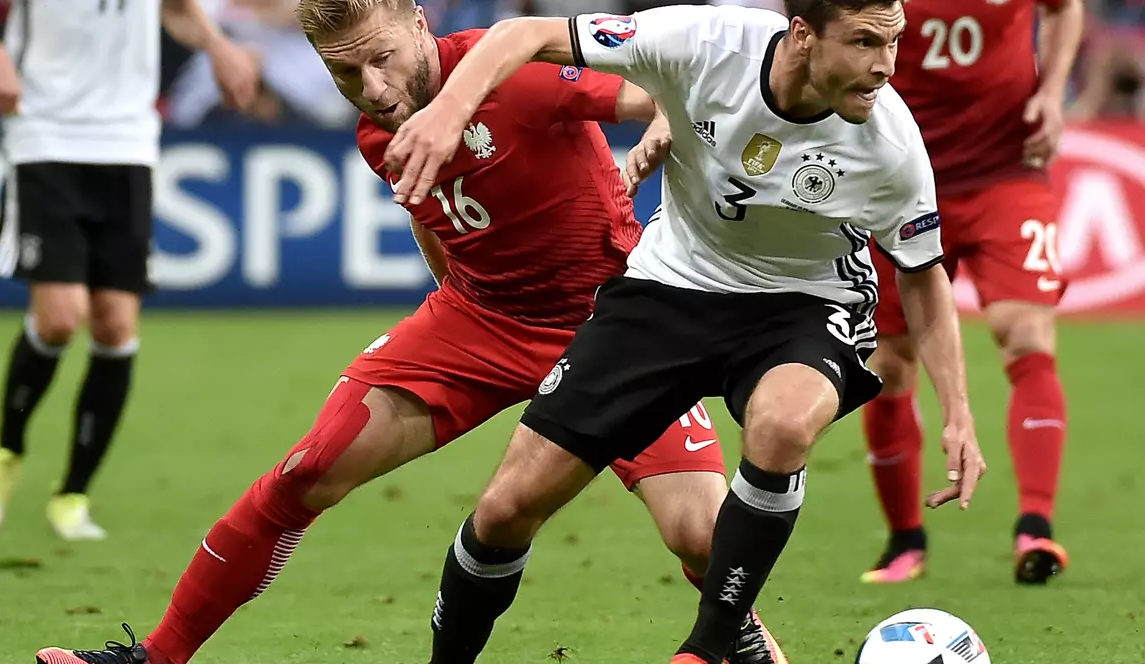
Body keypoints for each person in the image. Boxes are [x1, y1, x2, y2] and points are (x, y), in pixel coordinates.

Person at [31, 0, 786, 662]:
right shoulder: (376, 132)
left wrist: (658, 128)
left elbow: (655, 91)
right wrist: (455, 310)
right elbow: (434, 221)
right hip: (482, 320)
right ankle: (155, 659)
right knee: (304, 473)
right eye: (345, 74)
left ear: (420, 22)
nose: (374, 90)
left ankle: (749, 644)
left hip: (612, 323)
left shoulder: (517, 72)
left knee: (699, 535)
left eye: (381, 59)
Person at [379, 1, 988, 663]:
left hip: (806, 304)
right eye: (866, 42)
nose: (885, 66)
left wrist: (958, 412)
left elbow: (923, 275)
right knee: (505, 511)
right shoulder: (706, 41)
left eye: (893, 43)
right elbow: (521, 34)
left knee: (783, 426)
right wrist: (446, 113)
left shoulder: (892, 145)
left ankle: (707, 647)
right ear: (804, 37)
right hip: (670, 289)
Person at [0, 0, 258, 541]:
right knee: (60, 319)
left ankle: (72, 494)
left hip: (128, 142)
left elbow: (177, 8)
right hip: (44, 134)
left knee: (116, 325)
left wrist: (217, 45)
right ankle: (7, 449)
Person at [859, 0, 1083, 586]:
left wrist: (1052, 93)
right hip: (900, 177)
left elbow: (1065, 9)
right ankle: (905, 540)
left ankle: (1036, 526)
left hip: (1005, 170)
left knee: (1027, 331)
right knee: (888, 364)